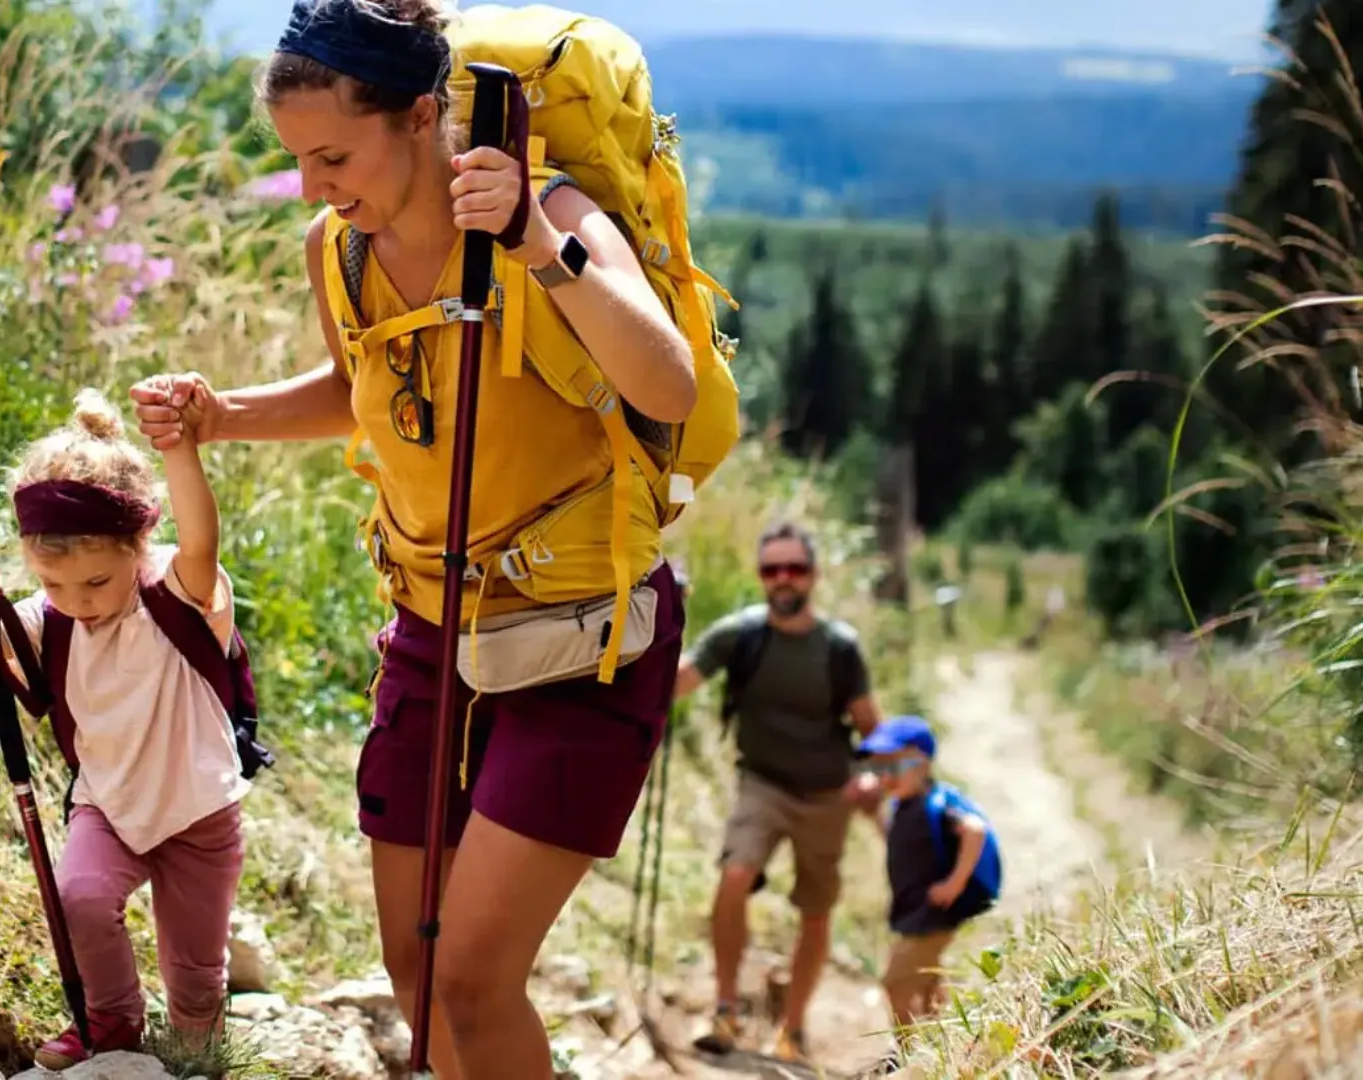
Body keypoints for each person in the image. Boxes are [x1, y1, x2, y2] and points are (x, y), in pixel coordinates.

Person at [128, 0, 701, 1071]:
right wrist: (226, 414)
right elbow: (366, 387)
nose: (313, 184)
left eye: (333, 153)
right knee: (418, 975)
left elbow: (665, 383)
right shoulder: (338, 250)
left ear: (424, 115)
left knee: (476, 980)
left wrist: (536, 242)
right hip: (432, 629)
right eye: (298, 159)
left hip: (582, 633)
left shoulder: (552, 211)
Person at [0, 387, 248, 1070]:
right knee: (80, 895)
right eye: (54, 584)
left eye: (98, 583)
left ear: (140, 546)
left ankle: (200, 1052)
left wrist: (179, 448)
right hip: (107, 801)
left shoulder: (176, 592)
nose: (78, 603)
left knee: (196, 972)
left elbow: (201, 537)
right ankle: (113, 1022)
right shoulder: (51, 622)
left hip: (199, 811)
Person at [675, 521, 884, 1064]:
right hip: (761, 782)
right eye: (773, 569)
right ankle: (725, 1011)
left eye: (794, 568)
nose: (783, 579)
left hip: (827, 794)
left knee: (815, 911)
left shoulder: (839, 648)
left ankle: (792, 1029)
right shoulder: (739, 635)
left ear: (813, 575)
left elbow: (872, 730)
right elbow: (679, 681)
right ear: (761, 576)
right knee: (734, 876)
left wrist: (873, 778)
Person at [855, 714, 998, 1068]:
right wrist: (874, 816)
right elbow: (898, 845)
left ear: (922, 763)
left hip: (934, 912)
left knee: (895, 981)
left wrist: (954, 882)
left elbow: (975, 831)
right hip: (915, 910)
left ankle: (909, 1053)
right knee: (929, 979)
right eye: (879, 768)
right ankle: (942, 1045)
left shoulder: (938, 803)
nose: (884, 777)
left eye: (895, 766)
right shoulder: (904, 807)